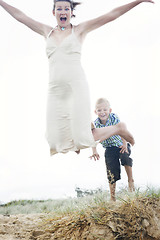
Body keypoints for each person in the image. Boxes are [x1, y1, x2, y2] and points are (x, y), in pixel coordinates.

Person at [0, 0, 153, 155]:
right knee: (54, 140)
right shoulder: (47, 32)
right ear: (54, 13)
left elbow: (111, 15)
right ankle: (77, 143)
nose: (63, 11)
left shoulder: (79, 30)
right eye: (59, 8)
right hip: (55, 90)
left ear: (71, 13)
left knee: (82, 137)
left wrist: (138, 1)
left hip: (76, 87)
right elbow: (20, 16)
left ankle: (119, 128)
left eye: (66, 8)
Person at [90, 98, 135, 201]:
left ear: (109, 110)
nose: (102, 112)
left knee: (125, 158)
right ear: (95, 112)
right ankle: (112, 197)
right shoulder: (96, 124)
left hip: (120, 144)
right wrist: (94, 151)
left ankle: (130, 180)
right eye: (99, 110)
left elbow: (121, 131)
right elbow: (92, 138)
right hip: (109, 148)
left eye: (105, 110)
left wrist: (124, 143)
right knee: (111, 170)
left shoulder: (113, 117)